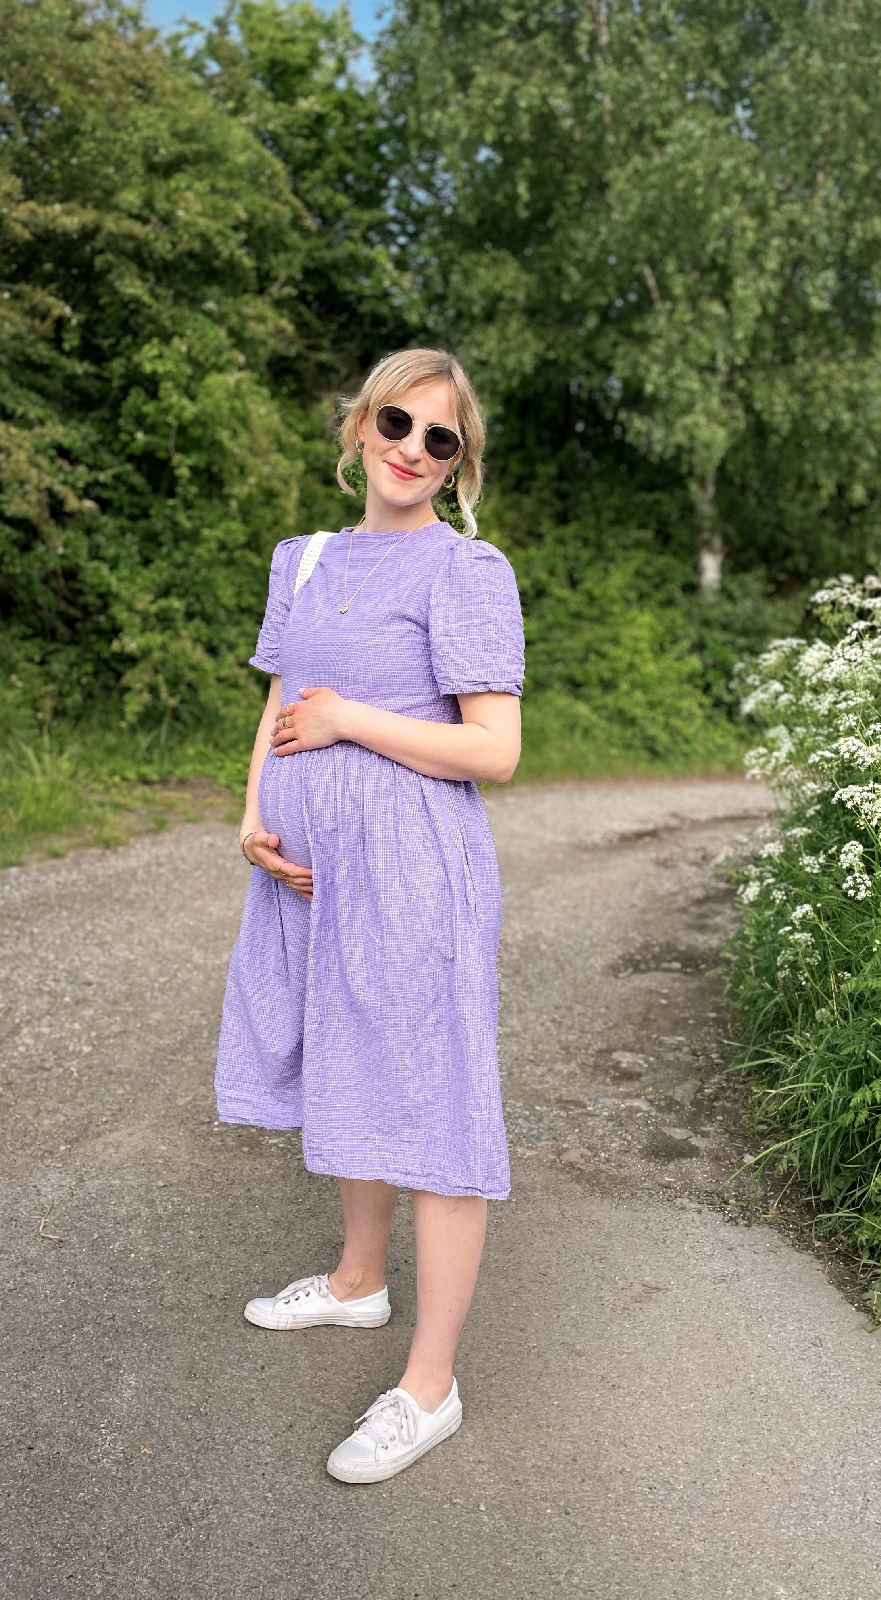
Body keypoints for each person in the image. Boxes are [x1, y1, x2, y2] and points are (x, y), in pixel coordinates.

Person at [214, 348, 524, 1484]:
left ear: (457, 465)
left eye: (440, 438)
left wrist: (352, 723)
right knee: (347, 1060)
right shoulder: (301, 561)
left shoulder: (467, 571)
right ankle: (356, 1282)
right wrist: (254, 814)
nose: (412, 447)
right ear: (360, 427)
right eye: (398, 421)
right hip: (308, 871)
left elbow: (494, 751)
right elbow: (280, 697)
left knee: (432, 1104)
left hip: (415, 873)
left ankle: (429, 1387)